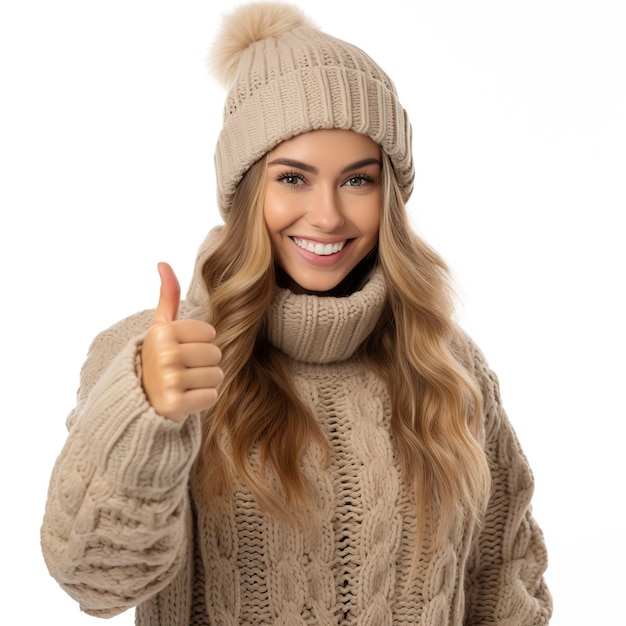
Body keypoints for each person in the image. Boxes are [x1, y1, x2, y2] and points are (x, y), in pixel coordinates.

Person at [41, 3, 552, 624]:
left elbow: (506, 574)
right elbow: (96, 580)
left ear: (389, 196)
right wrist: (146, 413)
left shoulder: (448, 364)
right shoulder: (159, 357)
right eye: (293, 178)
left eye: (358, 181)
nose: (328, 215)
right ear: (247, 188)